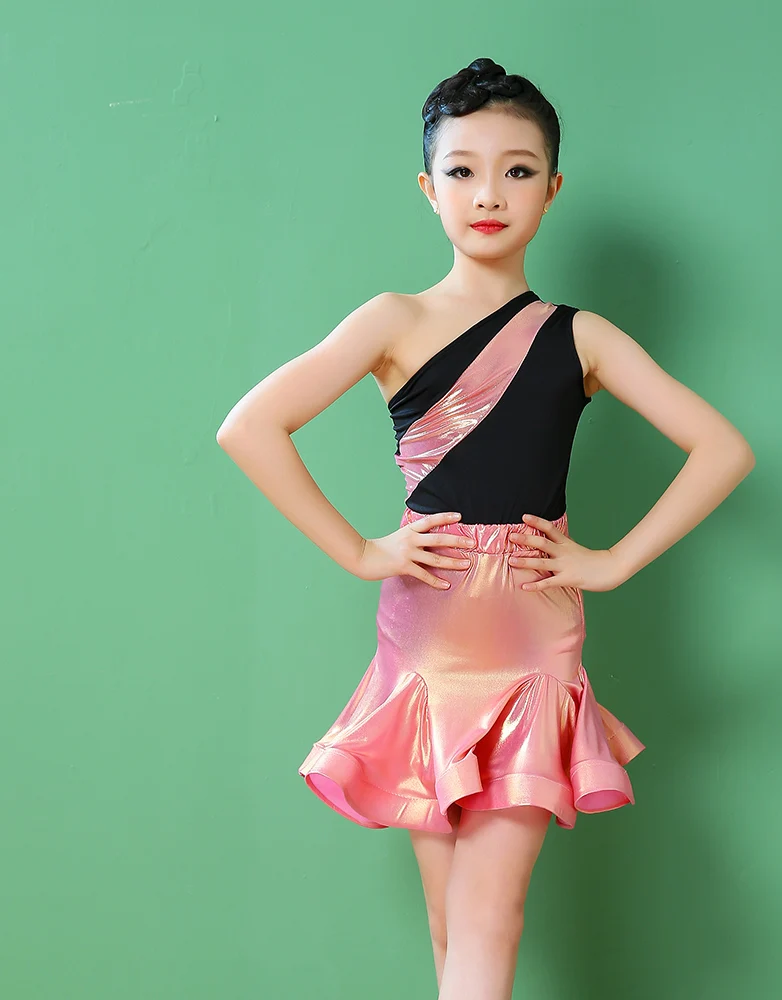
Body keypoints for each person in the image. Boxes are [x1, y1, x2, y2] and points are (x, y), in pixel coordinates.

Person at [217, 56, 754, 1000]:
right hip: (424, 632)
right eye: (462, 170)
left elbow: (722, 448)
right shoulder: (393, 319)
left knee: (488, 916)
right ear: (429, 189)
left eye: (517, 170)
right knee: (449, 917)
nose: (489, 193)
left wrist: (614, 561)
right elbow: (249, 428)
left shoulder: (580, 335)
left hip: (532, 633)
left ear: (553, 187)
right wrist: (360, 551)